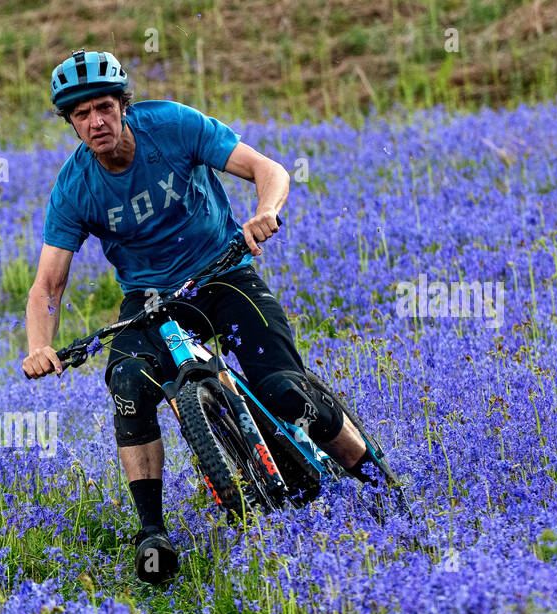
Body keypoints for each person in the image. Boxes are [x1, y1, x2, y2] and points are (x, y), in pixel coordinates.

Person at [22, 49, 375, 584]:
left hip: (222, 269)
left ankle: (377, 484)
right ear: (70, 123)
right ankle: (151, 535)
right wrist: (39, 347)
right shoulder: (75, 187)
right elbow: (49, 283)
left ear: (123, 105)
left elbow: (266, 169)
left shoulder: (172, 125)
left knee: (286, 389)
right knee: (128, 386)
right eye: (81, 114)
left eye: (103, 107)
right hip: (150, 297)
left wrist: (265, 212)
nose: (96, 121)